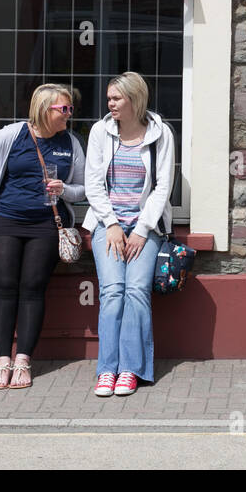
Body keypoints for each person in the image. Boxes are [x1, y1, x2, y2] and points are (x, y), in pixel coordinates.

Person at [0, 83, 86, 390]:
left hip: (45, 224)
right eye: (63, 108)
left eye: (70, 108)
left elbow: (85, 188)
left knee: (33, 289)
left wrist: (64, 190)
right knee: (5, 288)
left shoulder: (70, 142)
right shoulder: (13, 134)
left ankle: (23, 361)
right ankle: (2, 361)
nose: (68, 114)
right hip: (5, 221)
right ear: (44, 109)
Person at [83, 72, 176, 398]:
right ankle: (107, 369)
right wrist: (110, 224)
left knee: (136, 290)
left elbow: (163, 186)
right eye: (109, 98)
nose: (110, 104)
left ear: (135, 100)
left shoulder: (161, 134)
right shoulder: (100, 132)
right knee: (112, 291)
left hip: (145, 229)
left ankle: (131, 370)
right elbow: (93, 184)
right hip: (107, 226)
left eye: (116, 98)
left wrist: (140, 230)